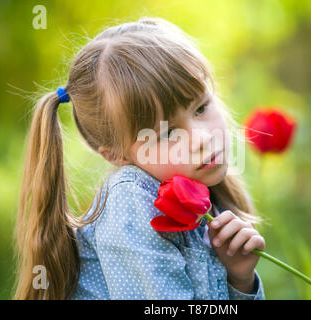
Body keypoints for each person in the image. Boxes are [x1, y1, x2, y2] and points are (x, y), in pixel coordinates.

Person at [14, 16, 266, 300]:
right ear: (117, 154)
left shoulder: (210, 198)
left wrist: (240, 280)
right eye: (168, 132)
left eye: (201, 108)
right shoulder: (131, 200)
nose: (202, 139)